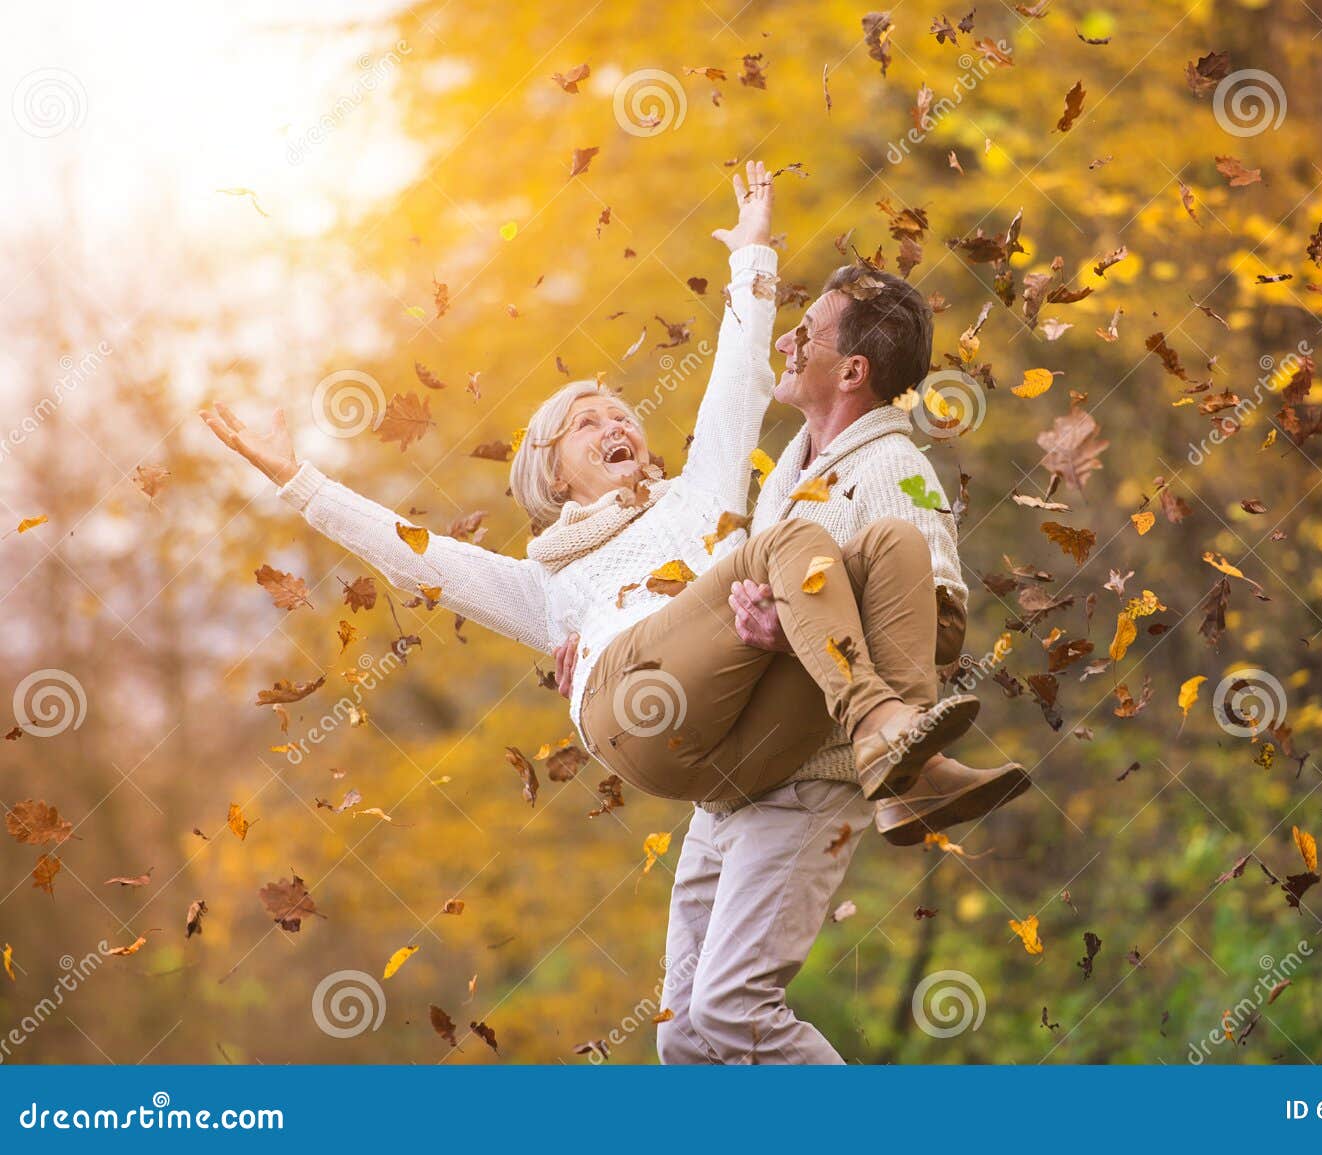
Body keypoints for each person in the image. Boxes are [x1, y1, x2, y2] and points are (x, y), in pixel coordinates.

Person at [198, 162, 986, 817]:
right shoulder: (548, 585)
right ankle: (883, 724)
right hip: (636, 711)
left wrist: (753, 252)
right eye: (585, 423)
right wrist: (296, 479)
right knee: (794, 545)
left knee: (893, 542)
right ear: (551, 472)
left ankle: (905, 766)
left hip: (735, 748)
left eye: (620, 413)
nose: (614, 423)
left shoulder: (695, 494)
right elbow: (415, 558)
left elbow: (739, 371)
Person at [554, 262, 1033, 1064]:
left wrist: (800, 630)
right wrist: (603, 627)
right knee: (685, 1038)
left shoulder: (893, 469)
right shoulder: (789, 468)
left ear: (852, 370)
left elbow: (937, 624)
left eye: (806, 332)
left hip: (814, 775)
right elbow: (704, 569)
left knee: (734, 1009)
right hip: (738, 782)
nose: (787, 339)